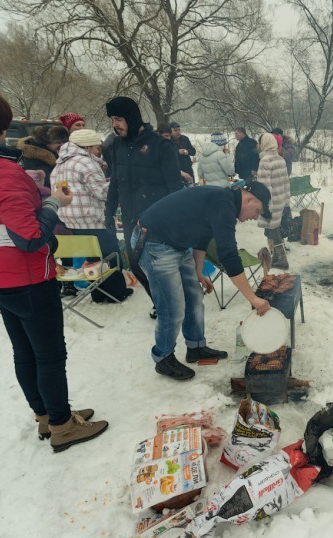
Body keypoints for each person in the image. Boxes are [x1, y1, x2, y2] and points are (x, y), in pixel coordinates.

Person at [0, 83, 108, 451]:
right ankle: (61, 425)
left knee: (25, 350)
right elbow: (29, 237)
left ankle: (46, 414)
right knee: (48, 354)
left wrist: (35, 198)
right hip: (24, 275)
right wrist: (53, 205)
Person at [131, 182, 272, 380]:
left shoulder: (224, 202)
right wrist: (253, 298)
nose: (255, 217)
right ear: (249, 198)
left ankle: (196, 347)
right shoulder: (224, 204)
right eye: (257, 211)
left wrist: (197, 272)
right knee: (172, 307)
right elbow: (229, 256)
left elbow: (203, 236)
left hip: (175, 243)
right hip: (154, 242)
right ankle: (163, 358)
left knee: (194, 296)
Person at [104, 96, 184, 314]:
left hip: (158, 221)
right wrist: (108, 211)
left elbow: (175, 188)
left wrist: (174, 221)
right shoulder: (115, 147)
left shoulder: (160, 145)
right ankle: (159, 302)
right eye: (112, 119)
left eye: (118, 118)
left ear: (131, 117)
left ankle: (172, 305)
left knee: (162, 267)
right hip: (131, 219)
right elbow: (115, 182)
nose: (114, 124)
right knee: (137, 266)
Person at [52, 128, 132, 303]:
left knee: (92, 258)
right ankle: (116, 293)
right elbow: (102, 193)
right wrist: (118, 181)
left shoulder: (60, 164)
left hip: (71, 220)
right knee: (111, 256)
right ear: (87, 147)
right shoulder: (86, 163)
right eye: (97, 147)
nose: (99, 151)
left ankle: (98, 293)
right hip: (94, 219)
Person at [255, 133, 291, 270]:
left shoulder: (265, 161)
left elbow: (264, 188)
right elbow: (286, 182)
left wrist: (265, 206)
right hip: (280, 199)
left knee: (273, 232)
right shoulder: (280, 159)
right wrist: (286, 200)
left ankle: (282, 260)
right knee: (274, 230)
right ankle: (277, 258)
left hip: (271, 202)